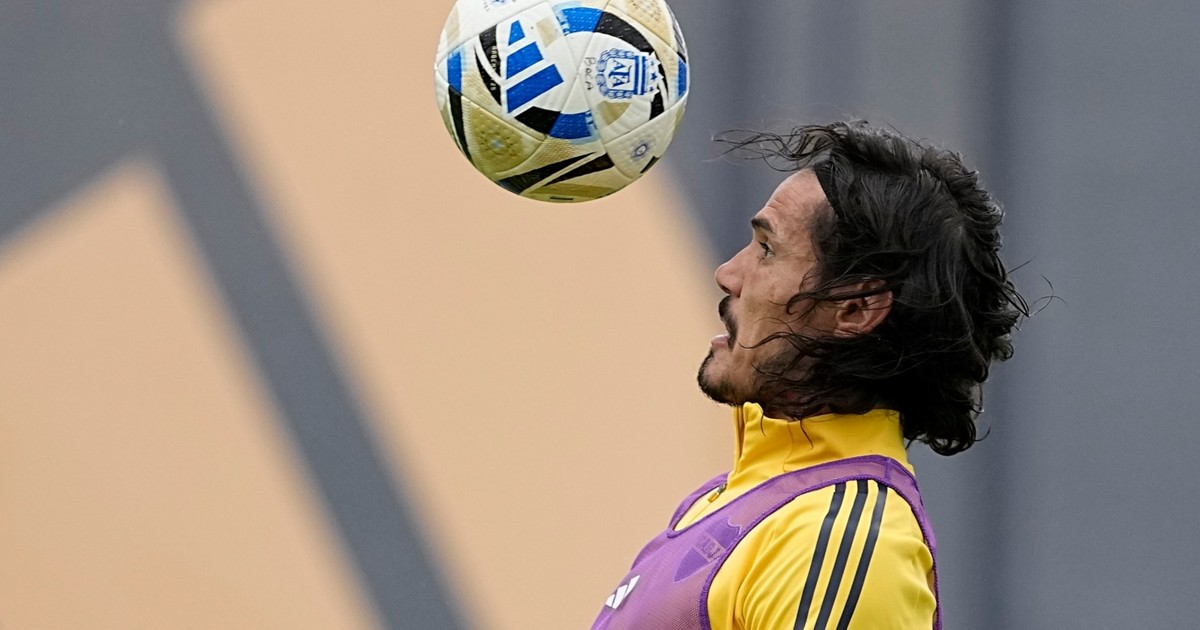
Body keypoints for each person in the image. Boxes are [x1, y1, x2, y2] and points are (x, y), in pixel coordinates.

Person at [591, 121, 1028, 630]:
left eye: (767, 249)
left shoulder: (840, 540)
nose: (728, 273)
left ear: (856, 309)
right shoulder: (731, 502)